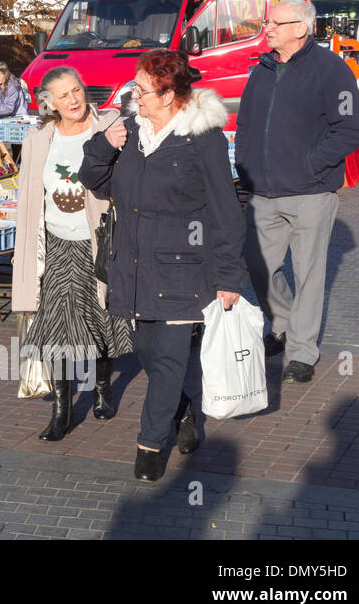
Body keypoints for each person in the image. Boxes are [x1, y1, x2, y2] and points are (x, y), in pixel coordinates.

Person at [81, 49, 246, 483]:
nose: (135, 96)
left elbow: (226, 212)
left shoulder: (203, 137)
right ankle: (188, 403)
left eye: (142, 89)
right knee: (149, 351)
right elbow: (92, 179)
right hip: (134, 264)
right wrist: (103, 144)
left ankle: (150, 445)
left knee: (169, 358)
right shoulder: (129, 131)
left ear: (169, 93)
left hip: (184, 267)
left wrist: (229, 276)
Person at [235, 0, 359, 384]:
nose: (267, 28)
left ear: (301, 28)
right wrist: (245, 165)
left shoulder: (331, 69)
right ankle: (283, 324)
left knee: (309, 274)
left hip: (311, 192)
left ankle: (302, 352)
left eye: (276, 23)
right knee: (258, 265)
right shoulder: (262, 69)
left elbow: (351, 129)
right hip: (262, 193)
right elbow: (245, 123)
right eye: (268, 22)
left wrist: (310, 164)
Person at [13, 67, 133, 444]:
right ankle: (61, 411)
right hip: (57, 245)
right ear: (49, 102)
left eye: (77, 90)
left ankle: (102, 387)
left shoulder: (110, 125)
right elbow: (29, 197)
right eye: (63, 95)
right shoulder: (38, 138)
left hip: (98, 242)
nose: (73, 99)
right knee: (57, 328)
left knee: (100, 320)